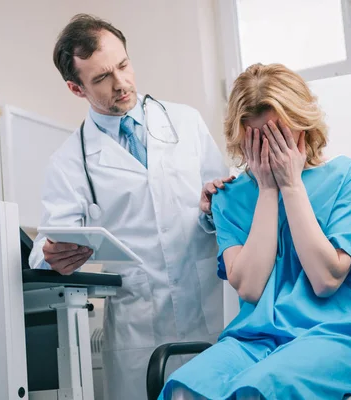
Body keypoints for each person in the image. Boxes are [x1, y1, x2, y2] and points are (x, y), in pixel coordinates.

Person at [160, 63, 351, 399]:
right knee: (182, 391)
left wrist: (291, 185)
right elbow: (251, 288)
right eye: (257, 139)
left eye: (279, 135)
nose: (269, 149)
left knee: (257, 390)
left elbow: (326, 280)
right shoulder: (229, 198)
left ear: (303, 125)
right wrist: (268, 191)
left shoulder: (347, 177)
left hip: (334, 337)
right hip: (253, 340)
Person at [28, 14, 233, 400]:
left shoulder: (185, 122)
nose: (121, 84)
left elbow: (225, 209)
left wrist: (212, 208)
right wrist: (52, 255)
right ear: (76, 88)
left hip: (213, 313)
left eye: (122, 65)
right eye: (102, 78)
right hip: (142, 330)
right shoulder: (70, 160)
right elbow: (46, 245)